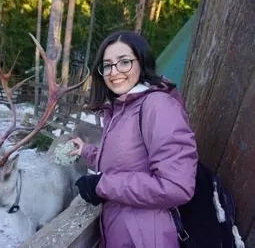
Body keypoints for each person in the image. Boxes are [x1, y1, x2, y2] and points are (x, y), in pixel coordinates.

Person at [69, 30, 198, 248]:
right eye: (107, 65)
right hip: (121, 230)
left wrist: (102, 185)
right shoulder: (121, 109)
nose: (114, 71)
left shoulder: (158, 106)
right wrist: (86, 151)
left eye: (124, 62)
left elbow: (177, 185)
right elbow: (127, 160)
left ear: (142, 62)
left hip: (146, 237)